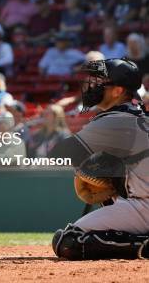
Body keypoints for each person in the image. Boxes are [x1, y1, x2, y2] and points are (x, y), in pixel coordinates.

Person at [50, 58, 149, 260]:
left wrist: (93, 166)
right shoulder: (138, 116)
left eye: (101, 82)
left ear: (118, 91)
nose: (93, 86)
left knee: (69, 241)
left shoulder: (116, 120)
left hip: (144, 206)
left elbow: (60, 153)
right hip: (141, 202)